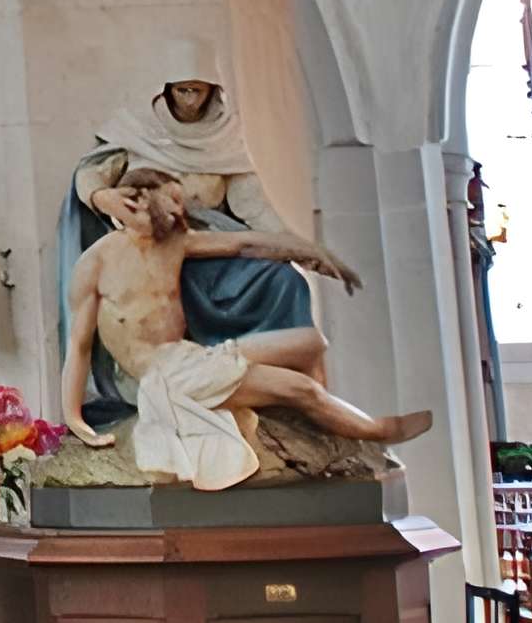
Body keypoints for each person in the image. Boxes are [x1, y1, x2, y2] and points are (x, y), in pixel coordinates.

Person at [61, 168, 427, 488]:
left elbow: (247, 242)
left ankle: (335, 425)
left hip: (195, 360)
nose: (179, 210)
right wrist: (74, 420)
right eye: (171, 200)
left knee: (310, 348)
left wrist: (315, 253)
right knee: (302, 381)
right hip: (168, 379)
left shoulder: (174, 244)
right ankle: (373, 429)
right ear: (136, 200)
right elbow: (79, 347)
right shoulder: (95, 263)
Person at [57, 49, 320, 422]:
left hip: (213, 248)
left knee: (286, 281)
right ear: (166, 91)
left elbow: (253, 211)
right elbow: (91, 174)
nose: (191, 100)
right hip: (157, 255)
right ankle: (222, 380)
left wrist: (296, 247)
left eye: (198, 90)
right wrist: (104, 197)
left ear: (213, 92)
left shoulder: (224, 139)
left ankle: (285, 400)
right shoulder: (137, 131)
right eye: (183, 91)